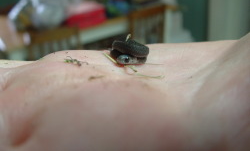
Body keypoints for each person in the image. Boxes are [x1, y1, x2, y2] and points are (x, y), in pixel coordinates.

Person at [0, 33, 249, 151]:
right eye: (123, 57)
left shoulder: (136, 54)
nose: (123, 60)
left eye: (129, 58)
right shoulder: (119, 52)